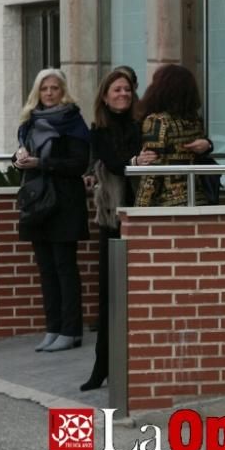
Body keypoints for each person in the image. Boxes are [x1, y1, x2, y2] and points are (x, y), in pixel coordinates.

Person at [79, 67, 155, 391]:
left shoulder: (143, 125)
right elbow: (112, 162)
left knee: (138, 292)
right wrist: (135, 163)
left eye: (127, 89)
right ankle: (102, 365)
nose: (123, 94)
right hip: (113, 219)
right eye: (116, 90)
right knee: (108, 294)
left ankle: (135, 366)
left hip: (143, 213)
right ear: (105, 96)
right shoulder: (99, 131)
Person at [14, 69, 91, 353]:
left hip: (64, 204)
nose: (49, 93)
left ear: (63, 91)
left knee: (64, 268)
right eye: (44, 88)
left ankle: (71, 331)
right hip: (37, 204)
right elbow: (22, 153)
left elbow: (78, 164)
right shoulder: (29, 123)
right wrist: (19, 159)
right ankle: (53, 328)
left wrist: (42, 165)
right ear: (38, 91)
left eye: (55, 88)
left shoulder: (73, 121)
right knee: (46, 270)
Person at [134, 64, 213, 207]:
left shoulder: (157, 121)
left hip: (167, 201)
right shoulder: (194, 120)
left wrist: (140, 208)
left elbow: (152, 170)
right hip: (198, 196)